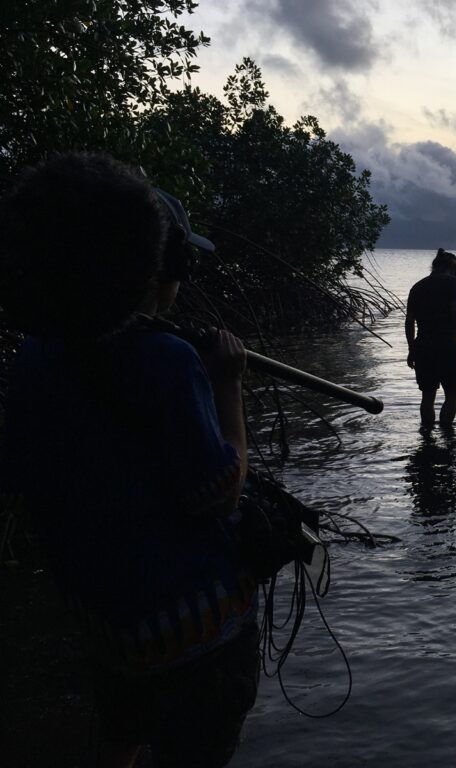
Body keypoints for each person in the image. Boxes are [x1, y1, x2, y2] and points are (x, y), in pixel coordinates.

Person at [0, 152, 257, 767]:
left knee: (118, 741)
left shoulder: (35, 356)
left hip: (111, 631)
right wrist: (229, 387)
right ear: (152, 265)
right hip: (195, 637)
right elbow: (219, 490)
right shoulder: (168, 361)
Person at [405, 248, 456, 428]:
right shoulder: (453, 283)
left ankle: (427, 438)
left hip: (422, 347)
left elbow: (409, 321)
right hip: (446, 346)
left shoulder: (417, 287)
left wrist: (411, 349)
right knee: (452, 394)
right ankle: (447, 435)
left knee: (427, 396)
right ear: (452, 268)